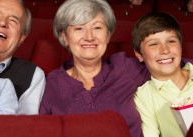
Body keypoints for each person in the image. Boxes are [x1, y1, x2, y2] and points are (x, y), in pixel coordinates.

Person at [39, 0, 150, 137]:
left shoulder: (124, 67)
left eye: (97, 28)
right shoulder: (51, 85)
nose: (89, 37)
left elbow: (176, 66)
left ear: (108, 35)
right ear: (65, 37)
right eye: (79, 28)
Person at [133, 12, 192, 137]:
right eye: (154, 44)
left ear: (181, 47)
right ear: (139, 54)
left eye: (171, 41)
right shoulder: (144, 97)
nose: (165, 50)